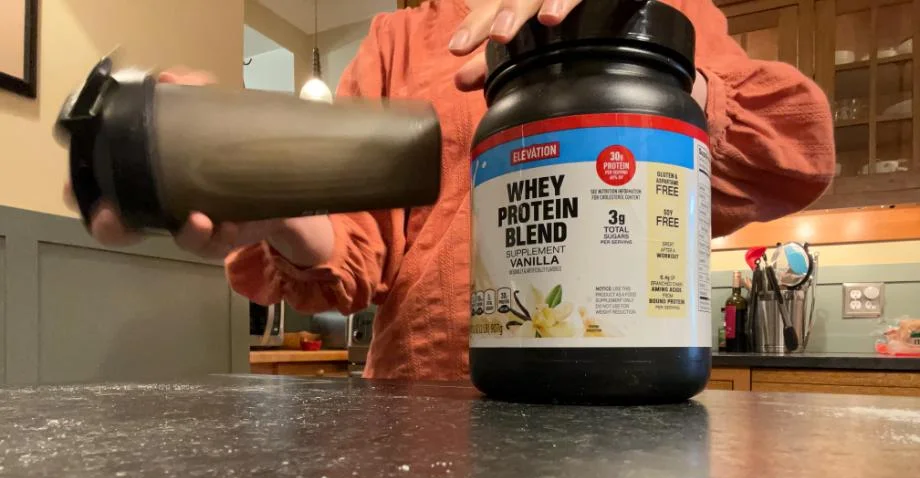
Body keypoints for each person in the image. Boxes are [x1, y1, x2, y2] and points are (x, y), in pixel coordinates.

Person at [78, 0, 835, 381]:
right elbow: (353, 255)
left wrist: (640, 62)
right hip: (421, 427)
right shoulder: (398, 40)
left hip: (627, 412)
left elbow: (797, 151)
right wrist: (274, 206)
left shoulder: (659, 10)